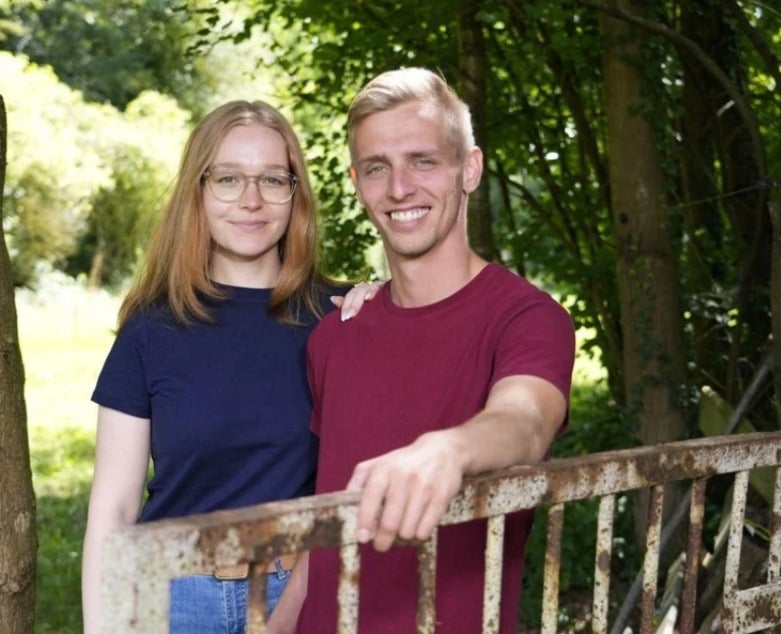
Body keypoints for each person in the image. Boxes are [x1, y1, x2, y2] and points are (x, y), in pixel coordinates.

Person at [284, 68, 576, 633]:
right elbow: (327, 523)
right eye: (377, 168)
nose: (399, 188)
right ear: (356, 181)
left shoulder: (528, 318)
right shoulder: (334, 337)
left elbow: (525, 420)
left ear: (469, 169)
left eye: (423, 161)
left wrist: (448, 451)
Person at [80, 100, 377, 634]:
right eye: (228, 179)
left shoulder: (341, 317)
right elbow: (114, 509)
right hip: (174, 599)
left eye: (272, 179)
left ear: (296, 194)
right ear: (198, 190)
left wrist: (387, 308)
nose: (251, 200)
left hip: (303, 594)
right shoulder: (151, 329)